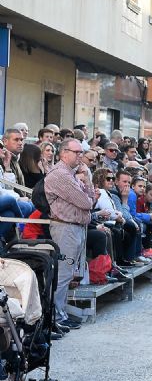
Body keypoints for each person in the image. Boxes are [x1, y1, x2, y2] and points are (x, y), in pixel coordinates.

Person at [43, 139, 93, 330]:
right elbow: (87, 202)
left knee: (68, 274)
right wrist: (88, 193)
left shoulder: (71, 174)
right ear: (64, 153)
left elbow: (91, 199)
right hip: (65, 228)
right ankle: (55, 317)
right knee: (62, 274)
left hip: (75, 227)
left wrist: (87, 181)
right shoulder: (60, 175)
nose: (80, 156)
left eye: (81, 152)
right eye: (77, 152)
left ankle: (61, 314)